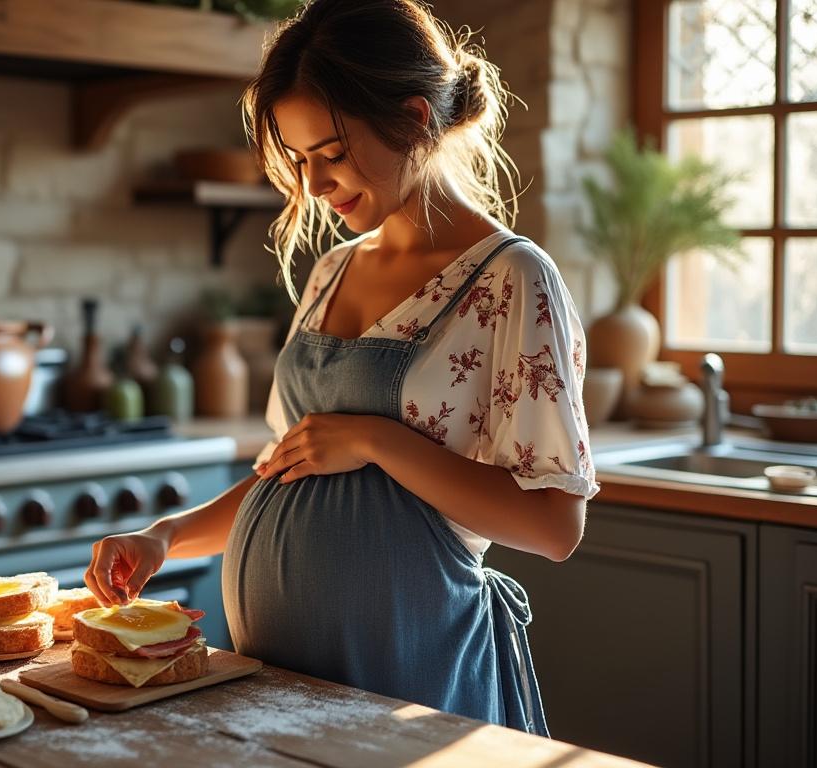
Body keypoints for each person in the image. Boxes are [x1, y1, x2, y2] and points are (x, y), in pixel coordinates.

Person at [85, 0, 597, 736]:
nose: (315, 184)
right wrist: (165, 536)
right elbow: (291, 464)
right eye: (299, 160)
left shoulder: (512, 279)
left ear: (415, 118)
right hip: (277, 674)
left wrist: (376, 439)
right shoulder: (330, 272)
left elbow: (555, 526)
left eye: (331, 152)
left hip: (414, 673)